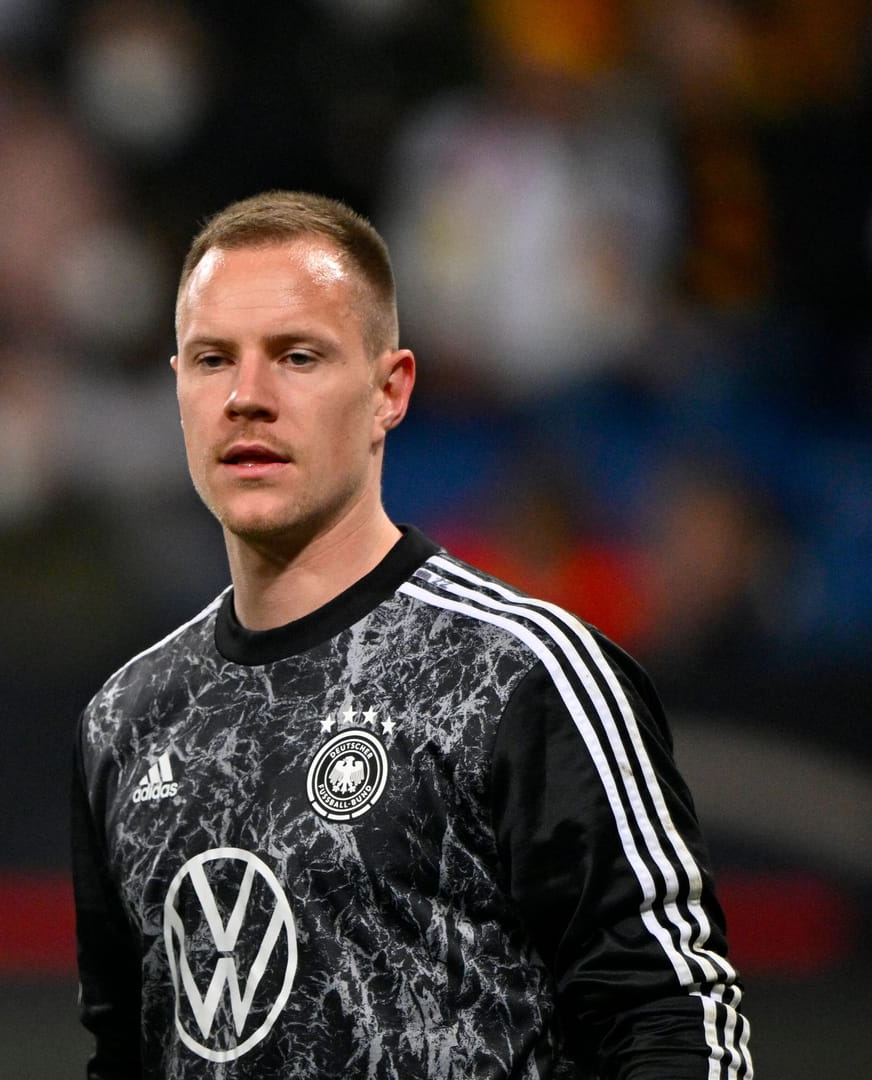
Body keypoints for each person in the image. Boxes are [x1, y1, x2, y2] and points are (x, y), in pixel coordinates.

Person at [71, 191, 750, 1078]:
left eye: (297, 356)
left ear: (390, 390)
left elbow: (672, 1020)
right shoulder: (125, 720)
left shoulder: (525, 675)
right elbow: (126, 1052)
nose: (247, 397)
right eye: (212, 360)